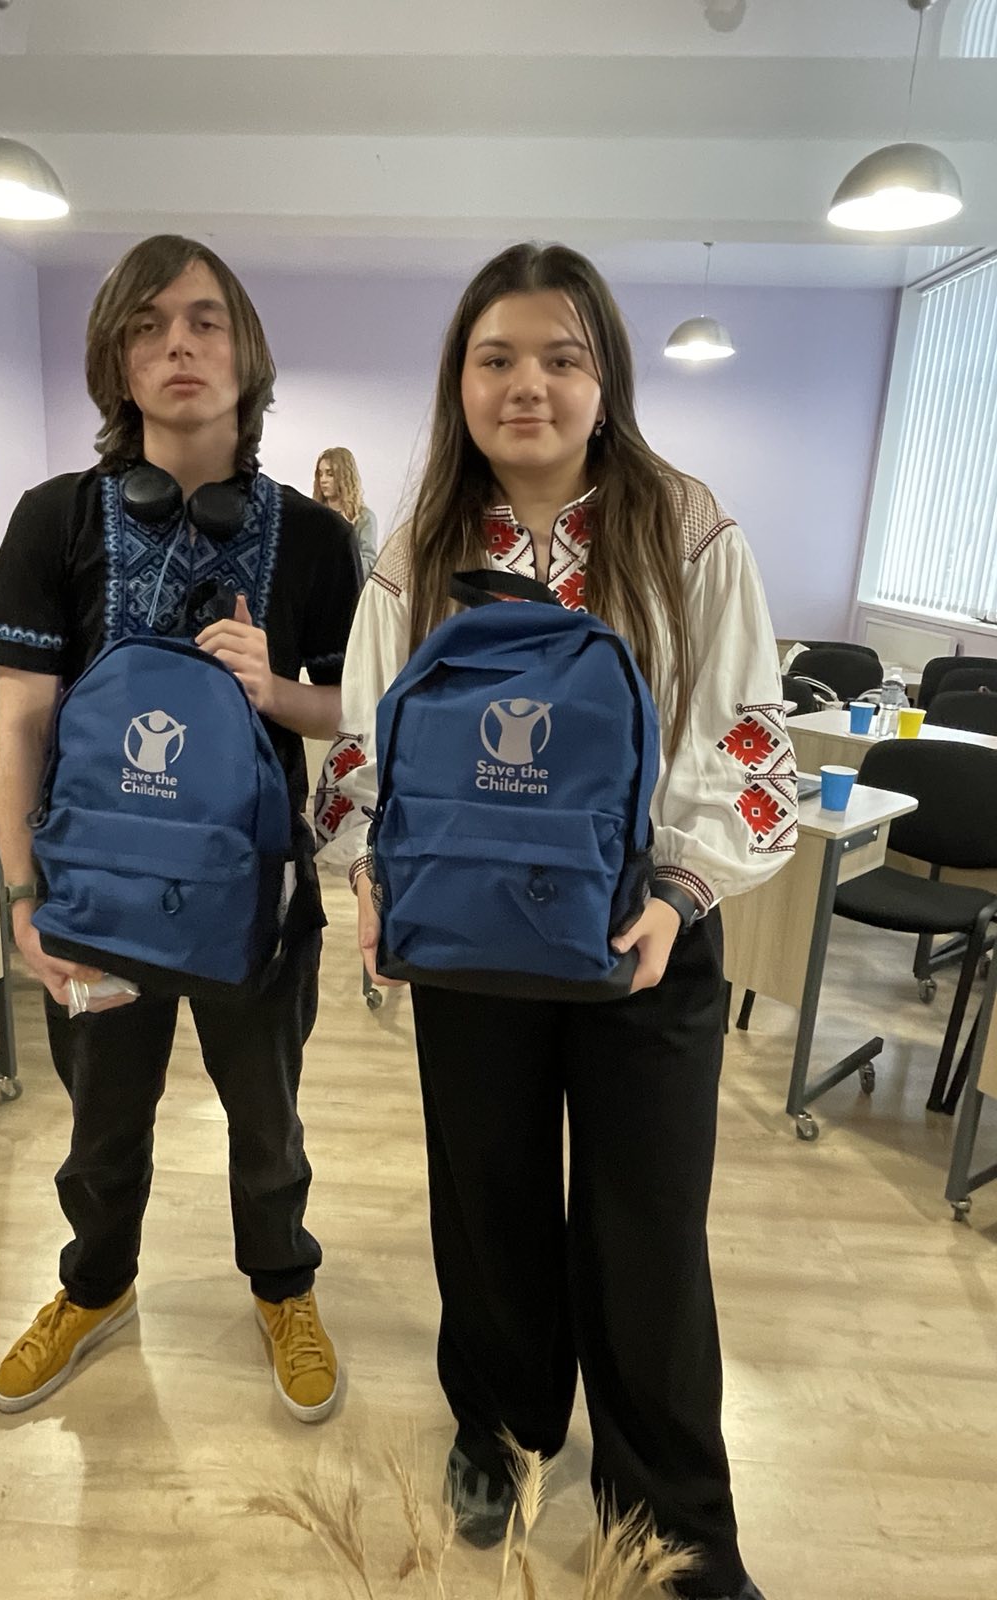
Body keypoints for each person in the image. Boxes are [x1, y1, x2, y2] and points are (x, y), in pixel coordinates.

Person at [316, 244, 793, 1600]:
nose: (528, 384)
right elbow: (366, 746)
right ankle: (503, 1427)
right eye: (497, 358)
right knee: (490, 1202)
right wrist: (371, 878)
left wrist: (681, 892)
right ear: (459, 380)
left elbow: (745, 736)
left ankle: (675, 1519)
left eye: (562, 357)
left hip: (644, 928)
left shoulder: (684, 528)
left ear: (605, 379)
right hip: (471, 933)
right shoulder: (421, 548)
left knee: (648, 1228)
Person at [0, 234, 361, 1419]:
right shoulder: (54, 519)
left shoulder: (314, 537)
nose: (177, 345)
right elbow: (21, 728)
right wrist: (24, 898)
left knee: (268, 1118)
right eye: (146, 326)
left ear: (247, 353)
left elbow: (354, 710)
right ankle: (95, 1288)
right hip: (96, 893)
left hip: (256, 896)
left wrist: (274, 689)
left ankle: (283, 1284)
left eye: (203, 320)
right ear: (115, 360)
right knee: (100, 1126)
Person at [314, 447, 378, 575]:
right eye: (320, 474)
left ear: (344, 476)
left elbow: (368, 562)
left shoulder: (364, 517)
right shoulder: (314, 513)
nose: (323, 480)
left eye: (330, 474)